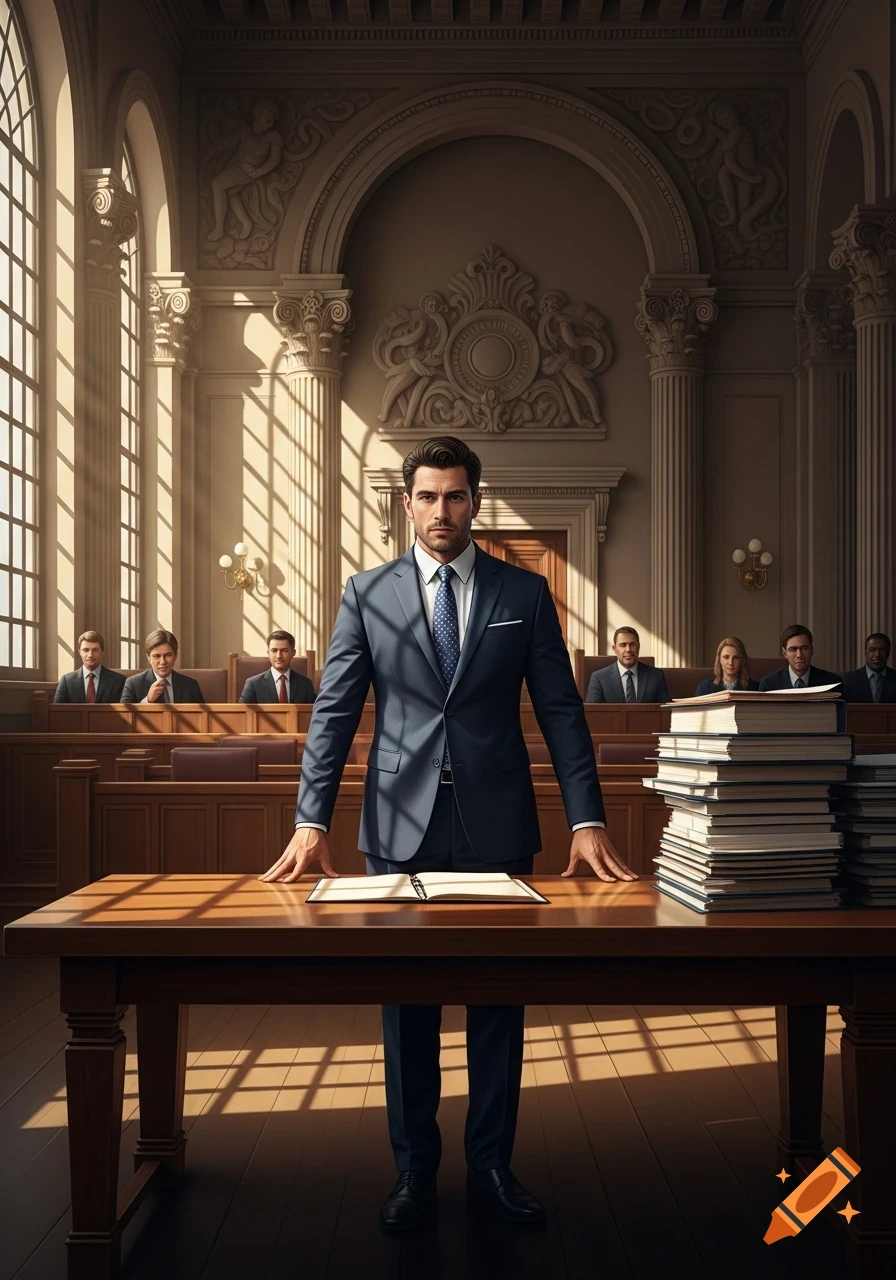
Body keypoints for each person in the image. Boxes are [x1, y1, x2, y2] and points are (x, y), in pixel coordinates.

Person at [260, 435, 635, 1234]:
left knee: (498, 1000)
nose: (442, 510)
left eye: (456, 496)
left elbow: (562, 713)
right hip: (397, 825)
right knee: (408, 1005)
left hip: (499, 824)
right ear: (408, 503)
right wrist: (309, 818)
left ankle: (494, 1164)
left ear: (475, 501)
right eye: (427, 496)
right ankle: (414, 1169)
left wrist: (588, 818)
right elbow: (335, 714)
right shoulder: (367, 593)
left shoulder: (524, 593)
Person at [585, 627, 670, 703]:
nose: (628, 649)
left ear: (638, 647)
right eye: (623, 645)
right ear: (614, 649)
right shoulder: (599, 678)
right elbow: (592, 714)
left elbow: (667, 713)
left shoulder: (657, 676)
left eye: (632, 644)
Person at [120, 630, 204, 703]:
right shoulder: (132, 684)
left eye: (168, 655)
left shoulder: (191, 685)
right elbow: (124, 718)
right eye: (156, 656)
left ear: (176, 656)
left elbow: (202, 718)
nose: (163, 662)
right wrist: (148, 700)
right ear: (148, 657)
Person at [239, 630, 316, 704]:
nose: (279, 656)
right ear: (268, 653)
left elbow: (313, 713)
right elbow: (242, 714)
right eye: (274, 650)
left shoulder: (305, 684)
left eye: (284, 650)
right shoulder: (253, 684)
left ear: (293, 652)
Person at [758, 625, 840, 691]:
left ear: (812, 650)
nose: (799, 655)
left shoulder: (832, 683)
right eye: (793, 649)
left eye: (805, 648)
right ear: (784, 653)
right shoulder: (768, 684)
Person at [53, 631, 126, 703]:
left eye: (95, 650)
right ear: (80, 652)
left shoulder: (119, 681)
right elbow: (57, 712)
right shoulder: (67, 681)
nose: (90, 655)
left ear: (102, 651)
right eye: (86, 650)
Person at [839, 633, 896, 703]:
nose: (877, 655)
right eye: (872, 650)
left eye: (881, 650)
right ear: (866, 652)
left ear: (888, 652)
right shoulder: (848, 681)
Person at [695, 636, 759, 695]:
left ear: (742, 660)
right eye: (726, 657)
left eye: (736, 657)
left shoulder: (754, 688)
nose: (731, 663)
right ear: (719, 659)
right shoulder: (705, 687)